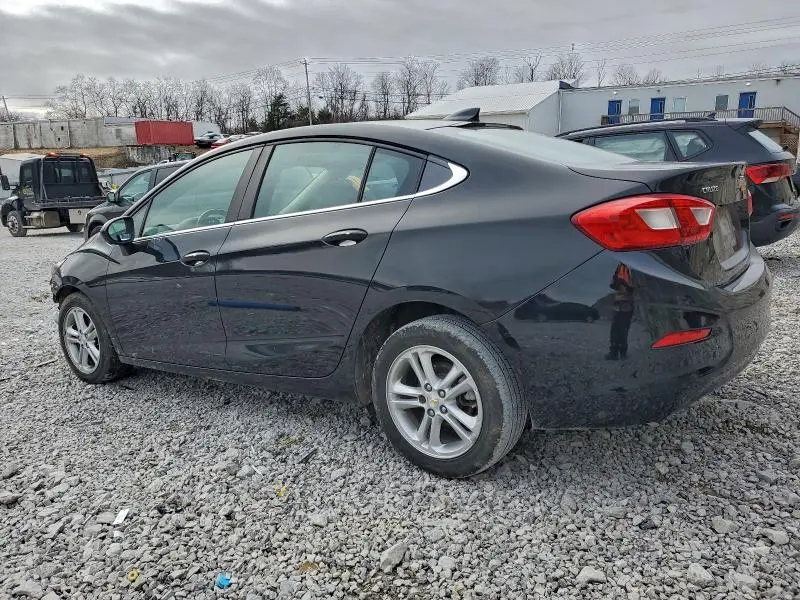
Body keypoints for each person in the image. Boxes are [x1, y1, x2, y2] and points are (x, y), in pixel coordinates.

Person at [607, 263, 634, 360]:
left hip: (626, 306)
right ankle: (615, 352)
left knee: (622, 330)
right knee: (615, 330)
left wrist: (624, 287)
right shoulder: (620, 267)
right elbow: (614, 283)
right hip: (619, 305)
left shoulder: (629, 267)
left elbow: (632, 286)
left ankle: (621, 352)